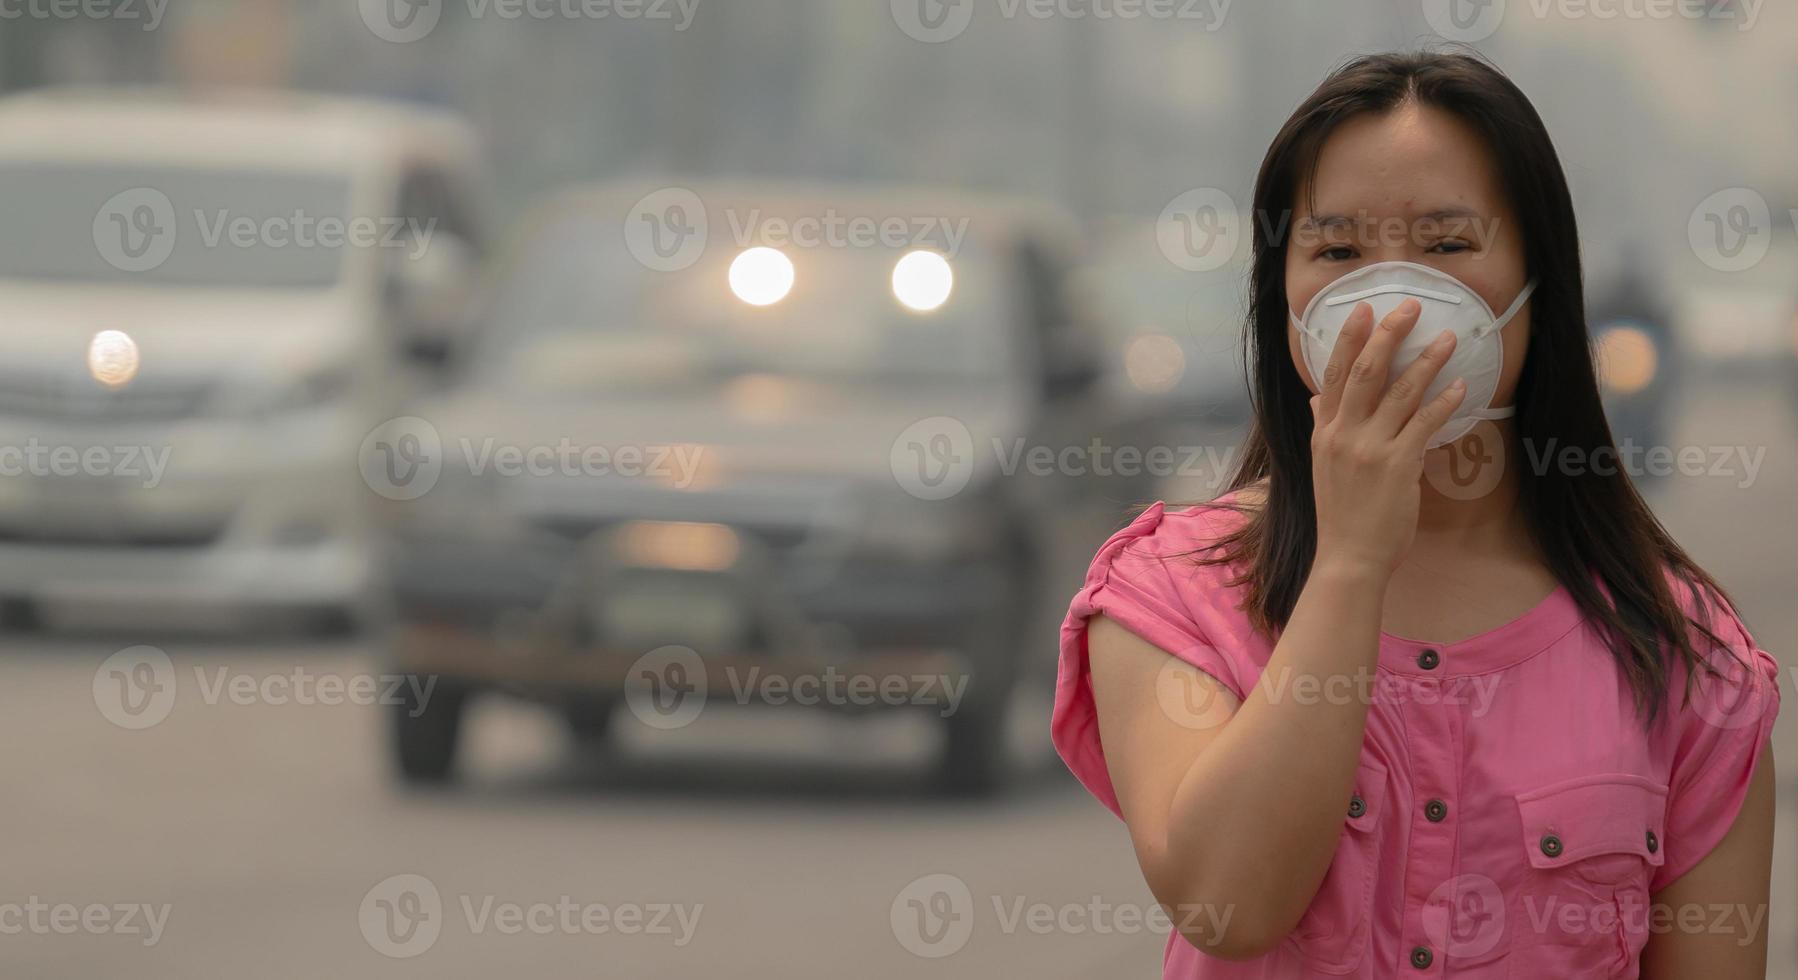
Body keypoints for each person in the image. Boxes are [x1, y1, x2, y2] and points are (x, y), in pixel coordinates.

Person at [1051, 51, 1778, 978]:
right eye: (1339, 252)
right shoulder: (1174, 594)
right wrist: (1351, 561)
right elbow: (1227, 905)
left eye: (1446, 246)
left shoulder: (1681, 655)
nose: (1390, 303)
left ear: (1538, 280)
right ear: (1281, 295)